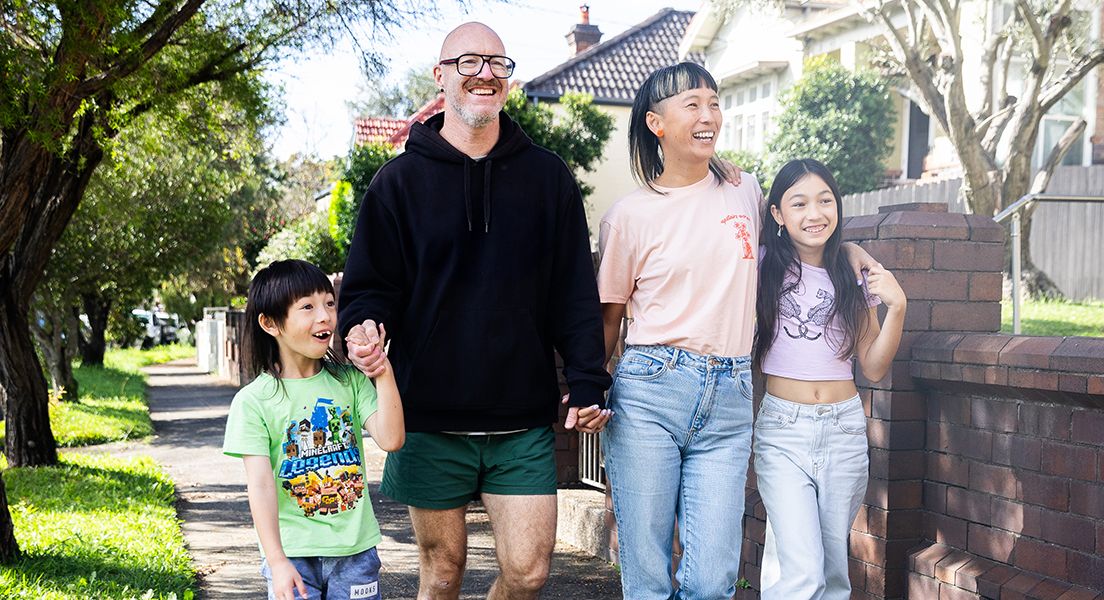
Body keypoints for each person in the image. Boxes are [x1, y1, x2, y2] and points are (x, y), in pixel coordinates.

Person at [337, 22, 612, 600]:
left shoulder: (547, 178)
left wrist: (588, 380)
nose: (485, 73)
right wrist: (362, 328)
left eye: (497, 62)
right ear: (441, 76)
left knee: (530, 572)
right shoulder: (398, 183)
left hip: (521, 421)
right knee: (442, 572)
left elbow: (575, 294)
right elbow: (369, 289)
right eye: (468, 62)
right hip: (429, 421)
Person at [753, 158, 906, 600]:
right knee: (802, 572)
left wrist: (897, 308)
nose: (814, 213)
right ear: (778, 214)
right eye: (798, 203)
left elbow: (873, 365)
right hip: (783, 431)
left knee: (833, 571)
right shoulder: (761, 267)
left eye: (825, 201)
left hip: (843, 429)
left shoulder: (850, 276)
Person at [223, 259, 404, 600]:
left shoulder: (349, 382)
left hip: (355, 551)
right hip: (292, 554)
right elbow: (260, 486)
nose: (325, 316)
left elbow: (391, 438)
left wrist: (382, 371)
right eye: (307, 307)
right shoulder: (253, 402)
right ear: (270, 323)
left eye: (329, 303)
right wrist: (276, 561)